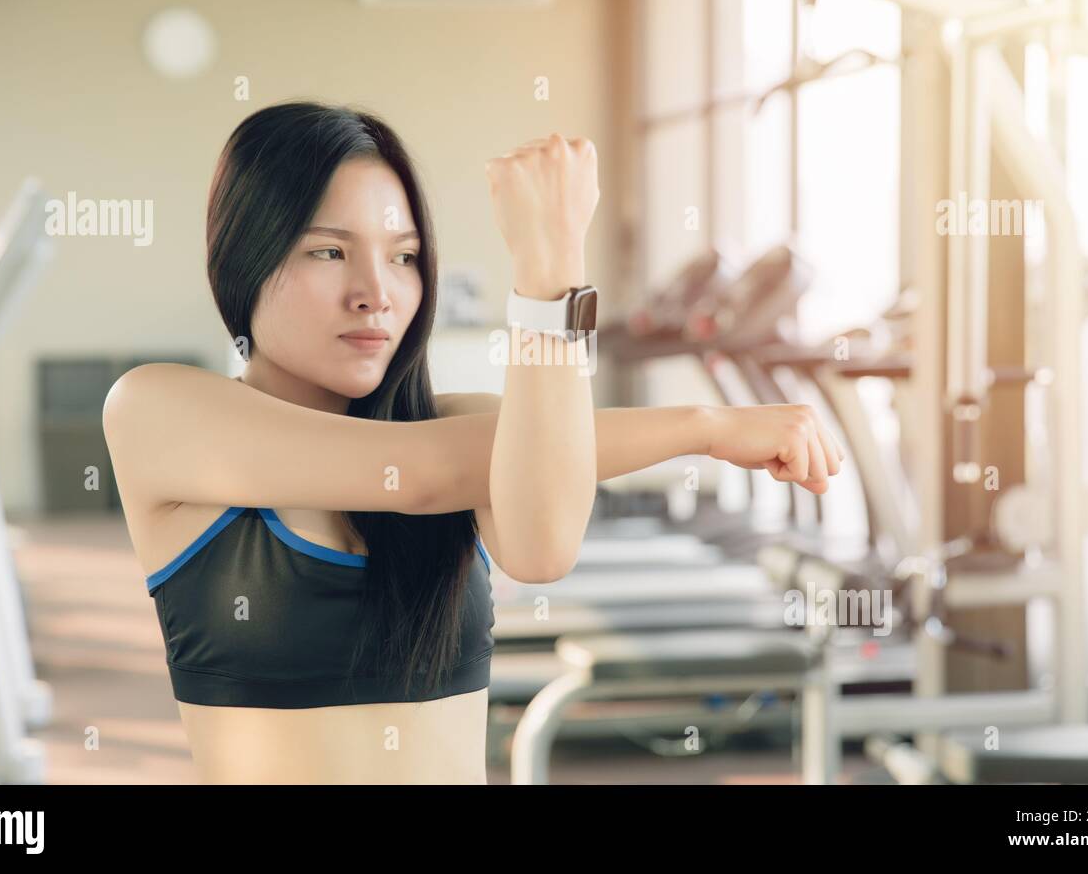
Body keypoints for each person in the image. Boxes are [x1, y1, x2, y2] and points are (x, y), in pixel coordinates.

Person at [101, 100, 844, 784]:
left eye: (403, 255)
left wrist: (703, 427)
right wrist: (551, 276)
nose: (376, 291)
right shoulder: (159, 411)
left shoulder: (455, 429)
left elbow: (542, 546)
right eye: (329, 252)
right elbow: (417, 475)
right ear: (244, 260)